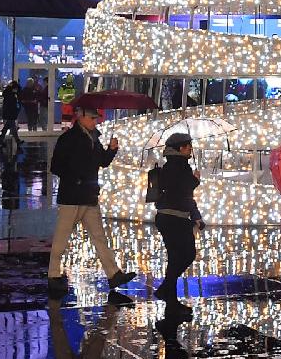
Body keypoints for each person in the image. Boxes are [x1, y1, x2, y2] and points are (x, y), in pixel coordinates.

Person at [45, 104, 137, 300]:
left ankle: (114, 274)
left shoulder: (94, 138)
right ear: (82, 117)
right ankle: (53, 275)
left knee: (99, 237)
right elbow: (56, 166)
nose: (96, 122)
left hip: (89, 195)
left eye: (97, 118)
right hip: (72, 197)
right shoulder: (68, 139)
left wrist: (112, 150)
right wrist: (76, 177)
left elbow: (102, 161)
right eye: (93, 118)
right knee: (62, 237)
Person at [152, 131, 201, 308]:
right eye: (188, 147)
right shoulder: (180, 166)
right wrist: (195, 180)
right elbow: (182, 190)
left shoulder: (170, 165)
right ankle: (166, 288)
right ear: (180, 148)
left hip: (166, 217)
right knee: (187, 254)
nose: (191, 150)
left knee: (175, 257)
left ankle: (169, 295)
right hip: (175, 218)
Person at [0, 80, 21, 148]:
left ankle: (0, 141)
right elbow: (12, 105)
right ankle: (17, 141)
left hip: (8, 114)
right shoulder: (11, 95)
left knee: (6, 128)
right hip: (10, 114)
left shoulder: (8, 94)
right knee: (13, 128)